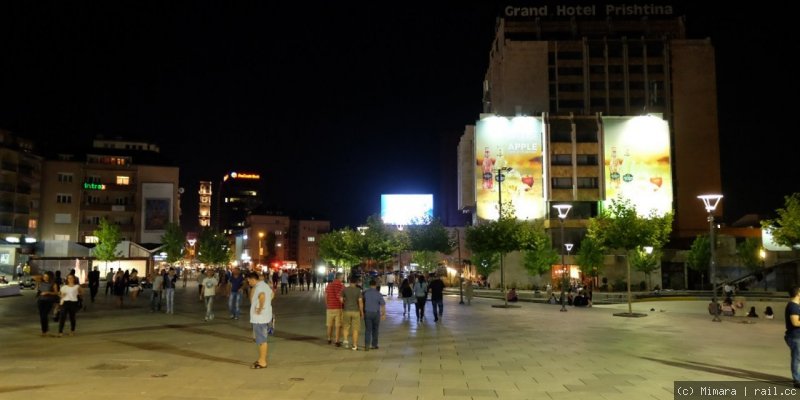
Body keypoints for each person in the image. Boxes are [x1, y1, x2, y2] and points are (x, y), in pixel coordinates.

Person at [247, 272, 274, 369]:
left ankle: (262, 361)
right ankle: (261, 359)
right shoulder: (264, 285)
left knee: (261, 339)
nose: (248, 282)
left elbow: (262, 296)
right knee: (261, 338)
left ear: (252, 279)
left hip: (260, 318)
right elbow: (272, 295)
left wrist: (260, 307)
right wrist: (267, 305)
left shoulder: (258, 287)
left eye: (249, 280)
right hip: (265, 316)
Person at [362, 279, 386, 351]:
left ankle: (367, 346)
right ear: (375, 285)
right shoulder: (378, 294)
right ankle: (374, 345)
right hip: (376, 313)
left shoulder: (365, 293)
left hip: (368, 312)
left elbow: (362, 302)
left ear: (369, 285)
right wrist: (383, 314)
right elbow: (383, 304)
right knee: (375, 329)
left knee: (368, 330)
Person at [341, 276, 363, 350]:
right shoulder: (358, 290)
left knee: (346, 326)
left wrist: (345, 302)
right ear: (356, 282)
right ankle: (354, 345)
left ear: (349, 281)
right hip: (355, 311)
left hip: (346, 310)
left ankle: (346, 341)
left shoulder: (345, 289)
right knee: (355, 329)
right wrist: (362, 312)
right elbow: (360, 302)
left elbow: (341, 300)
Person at [784, 286, 800, 388]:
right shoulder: (793, 306)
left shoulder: (797, 305)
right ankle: (797, 380)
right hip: (795, 337)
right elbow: (795, 322)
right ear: (798, 294)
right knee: (796, 358)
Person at [36, 271, 60, 336]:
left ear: (50, 277)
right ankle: (44, 330)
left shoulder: (53, 284)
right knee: (42, 316)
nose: (45, 278)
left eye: (47, 277)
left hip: (48, 301)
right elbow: (38, 290)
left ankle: (45, 331)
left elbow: (56, 293)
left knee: (44, 315)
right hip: (40, 301)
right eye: (44, 276)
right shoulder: (41, 282)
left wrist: (48, 292)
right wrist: (38, 284)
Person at [324, 272, 344, 346]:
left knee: (329, 325)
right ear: (340, 277)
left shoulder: (329, 285)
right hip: (338, 308)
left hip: (329, 308)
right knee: (338, 325)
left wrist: (327, 304)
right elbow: (341, 298)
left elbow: (325, 295)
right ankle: (337, 341)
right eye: (342, 277)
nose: (343, 279)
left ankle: (329, 339)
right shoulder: (341, 286)